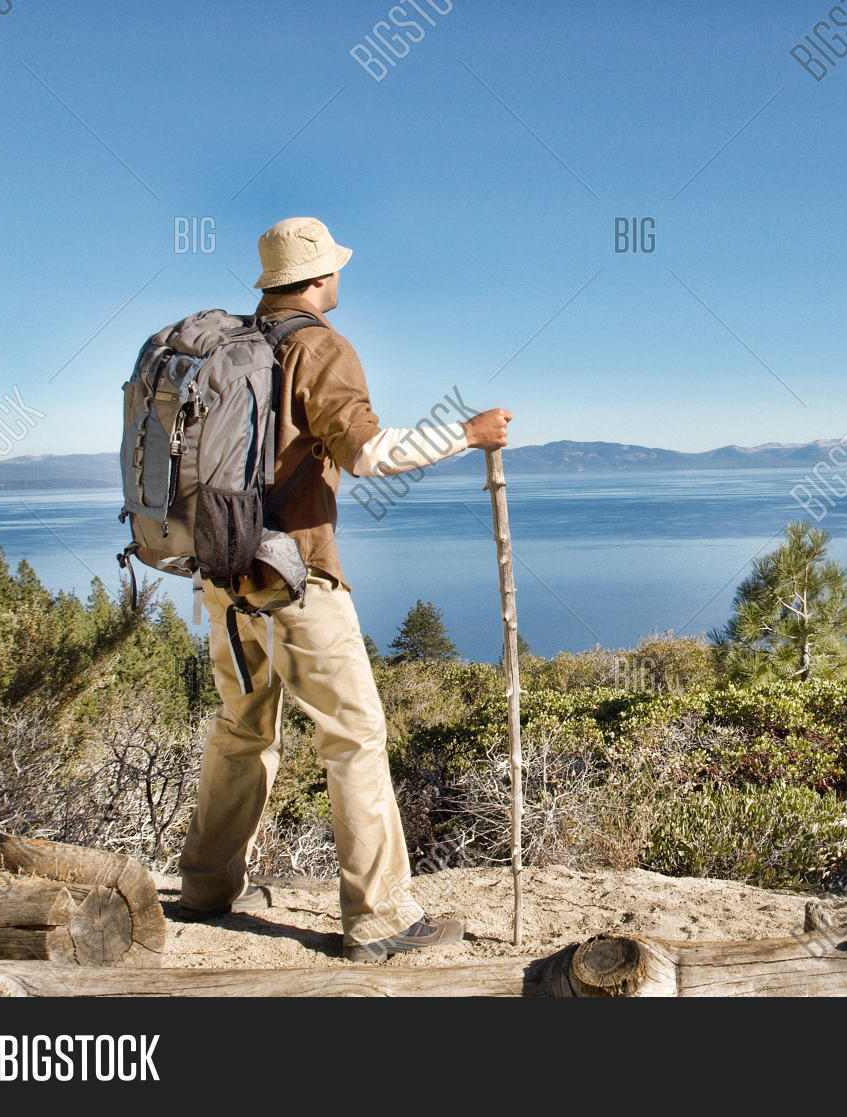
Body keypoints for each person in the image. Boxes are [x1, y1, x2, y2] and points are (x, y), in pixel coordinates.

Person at [175, 216, 512, 963]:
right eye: (335, 268)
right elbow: (370, 453)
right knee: (355, 735)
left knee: (241, 729)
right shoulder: (317, 346)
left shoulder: (232, 344)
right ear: (321, 276)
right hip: (298, 576)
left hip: (224, 576)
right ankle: (380, 915)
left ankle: (204, 887)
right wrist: (469, 433)